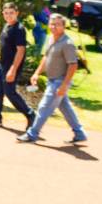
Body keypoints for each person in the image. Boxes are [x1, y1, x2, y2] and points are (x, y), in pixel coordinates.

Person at [17, 14, 87, 143]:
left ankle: (32, 134)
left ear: (63, 26)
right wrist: (36, 73)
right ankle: (80, 133)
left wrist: (64, 85)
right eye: (52, 23)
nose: (53, 26)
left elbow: (73, 65)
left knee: (44, 107)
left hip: (60, 81)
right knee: (65, 107)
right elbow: (46, 57)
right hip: (52, 80)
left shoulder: (67, 43)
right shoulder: (50, 38)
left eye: (57, 24)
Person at [0, 2, 36, 129]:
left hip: (11, 67)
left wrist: (13, 69)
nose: (9, 15)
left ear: (17, 13)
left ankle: (30, 114)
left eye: (11, 13)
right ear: (3, 14)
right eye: (6, 13)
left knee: (10, 93)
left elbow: (21, 50)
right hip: (2, 65)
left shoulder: (19, 29)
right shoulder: (7, 26)